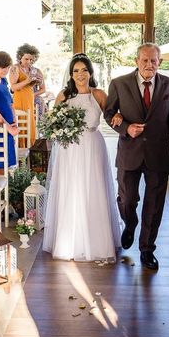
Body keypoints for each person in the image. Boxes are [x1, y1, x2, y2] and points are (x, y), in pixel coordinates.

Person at [104, 43, 169, 270]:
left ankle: (147, 249)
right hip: (129, 151)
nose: (149, 65)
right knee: (127, 199)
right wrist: (125, 128)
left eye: (154, 60)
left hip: (158, 154)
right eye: (145, 60)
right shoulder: (119, 84)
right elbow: (109, 113)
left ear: (160, 62)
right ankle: (130, 223)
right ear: (137, 61)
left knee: (155, 204)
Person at [43, 54, 122, 261]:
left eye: (84, 70)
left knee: (93, 188)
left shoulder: (99, 94)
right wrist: (61, 131)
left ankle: (97, 242)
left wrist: (119, 116)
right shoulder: (64, 95)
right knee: (71, 189)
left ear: (90, 73)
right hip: (69, 150)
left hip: (93, 145)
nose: (80, 74)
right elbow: (53, 123)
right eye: (76, 71)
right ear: (71, 74)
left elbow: (112, 114)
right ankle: (69, 242)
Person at [10, 43, 40, 147]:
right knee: (21, 124)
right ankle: (19, 153)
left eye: (31, 60)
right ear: (20, 57)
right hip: (19, 100)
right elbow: (13, 87)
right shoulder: (15, 68)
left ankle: (29, 151)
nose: (29, 62)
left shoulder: (32, 69)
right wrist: (27, 81)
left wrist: (34, 83)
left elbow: (29, 85)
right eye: (27, 59)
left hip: (30, 100)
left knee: (30, 126)